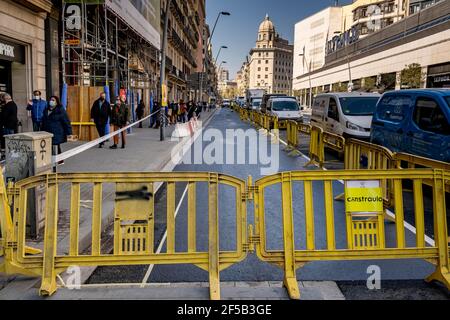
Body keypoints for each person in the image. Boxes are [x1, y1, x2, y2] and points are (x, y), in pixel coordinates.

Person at [41, 96, 73, 162]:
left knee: (55, 145)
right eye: (50, 100)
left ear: (56, 102)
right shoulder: (46, 110)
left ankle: (59, 160)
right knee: (50, 146)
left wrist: (69, 133)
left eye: (53, 100)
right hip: (47, 132)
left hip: (57, 132)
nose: (51, 101)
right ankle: (54, 160)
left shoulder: (60, 110)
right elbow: (43, 121)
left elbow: (66, 122)